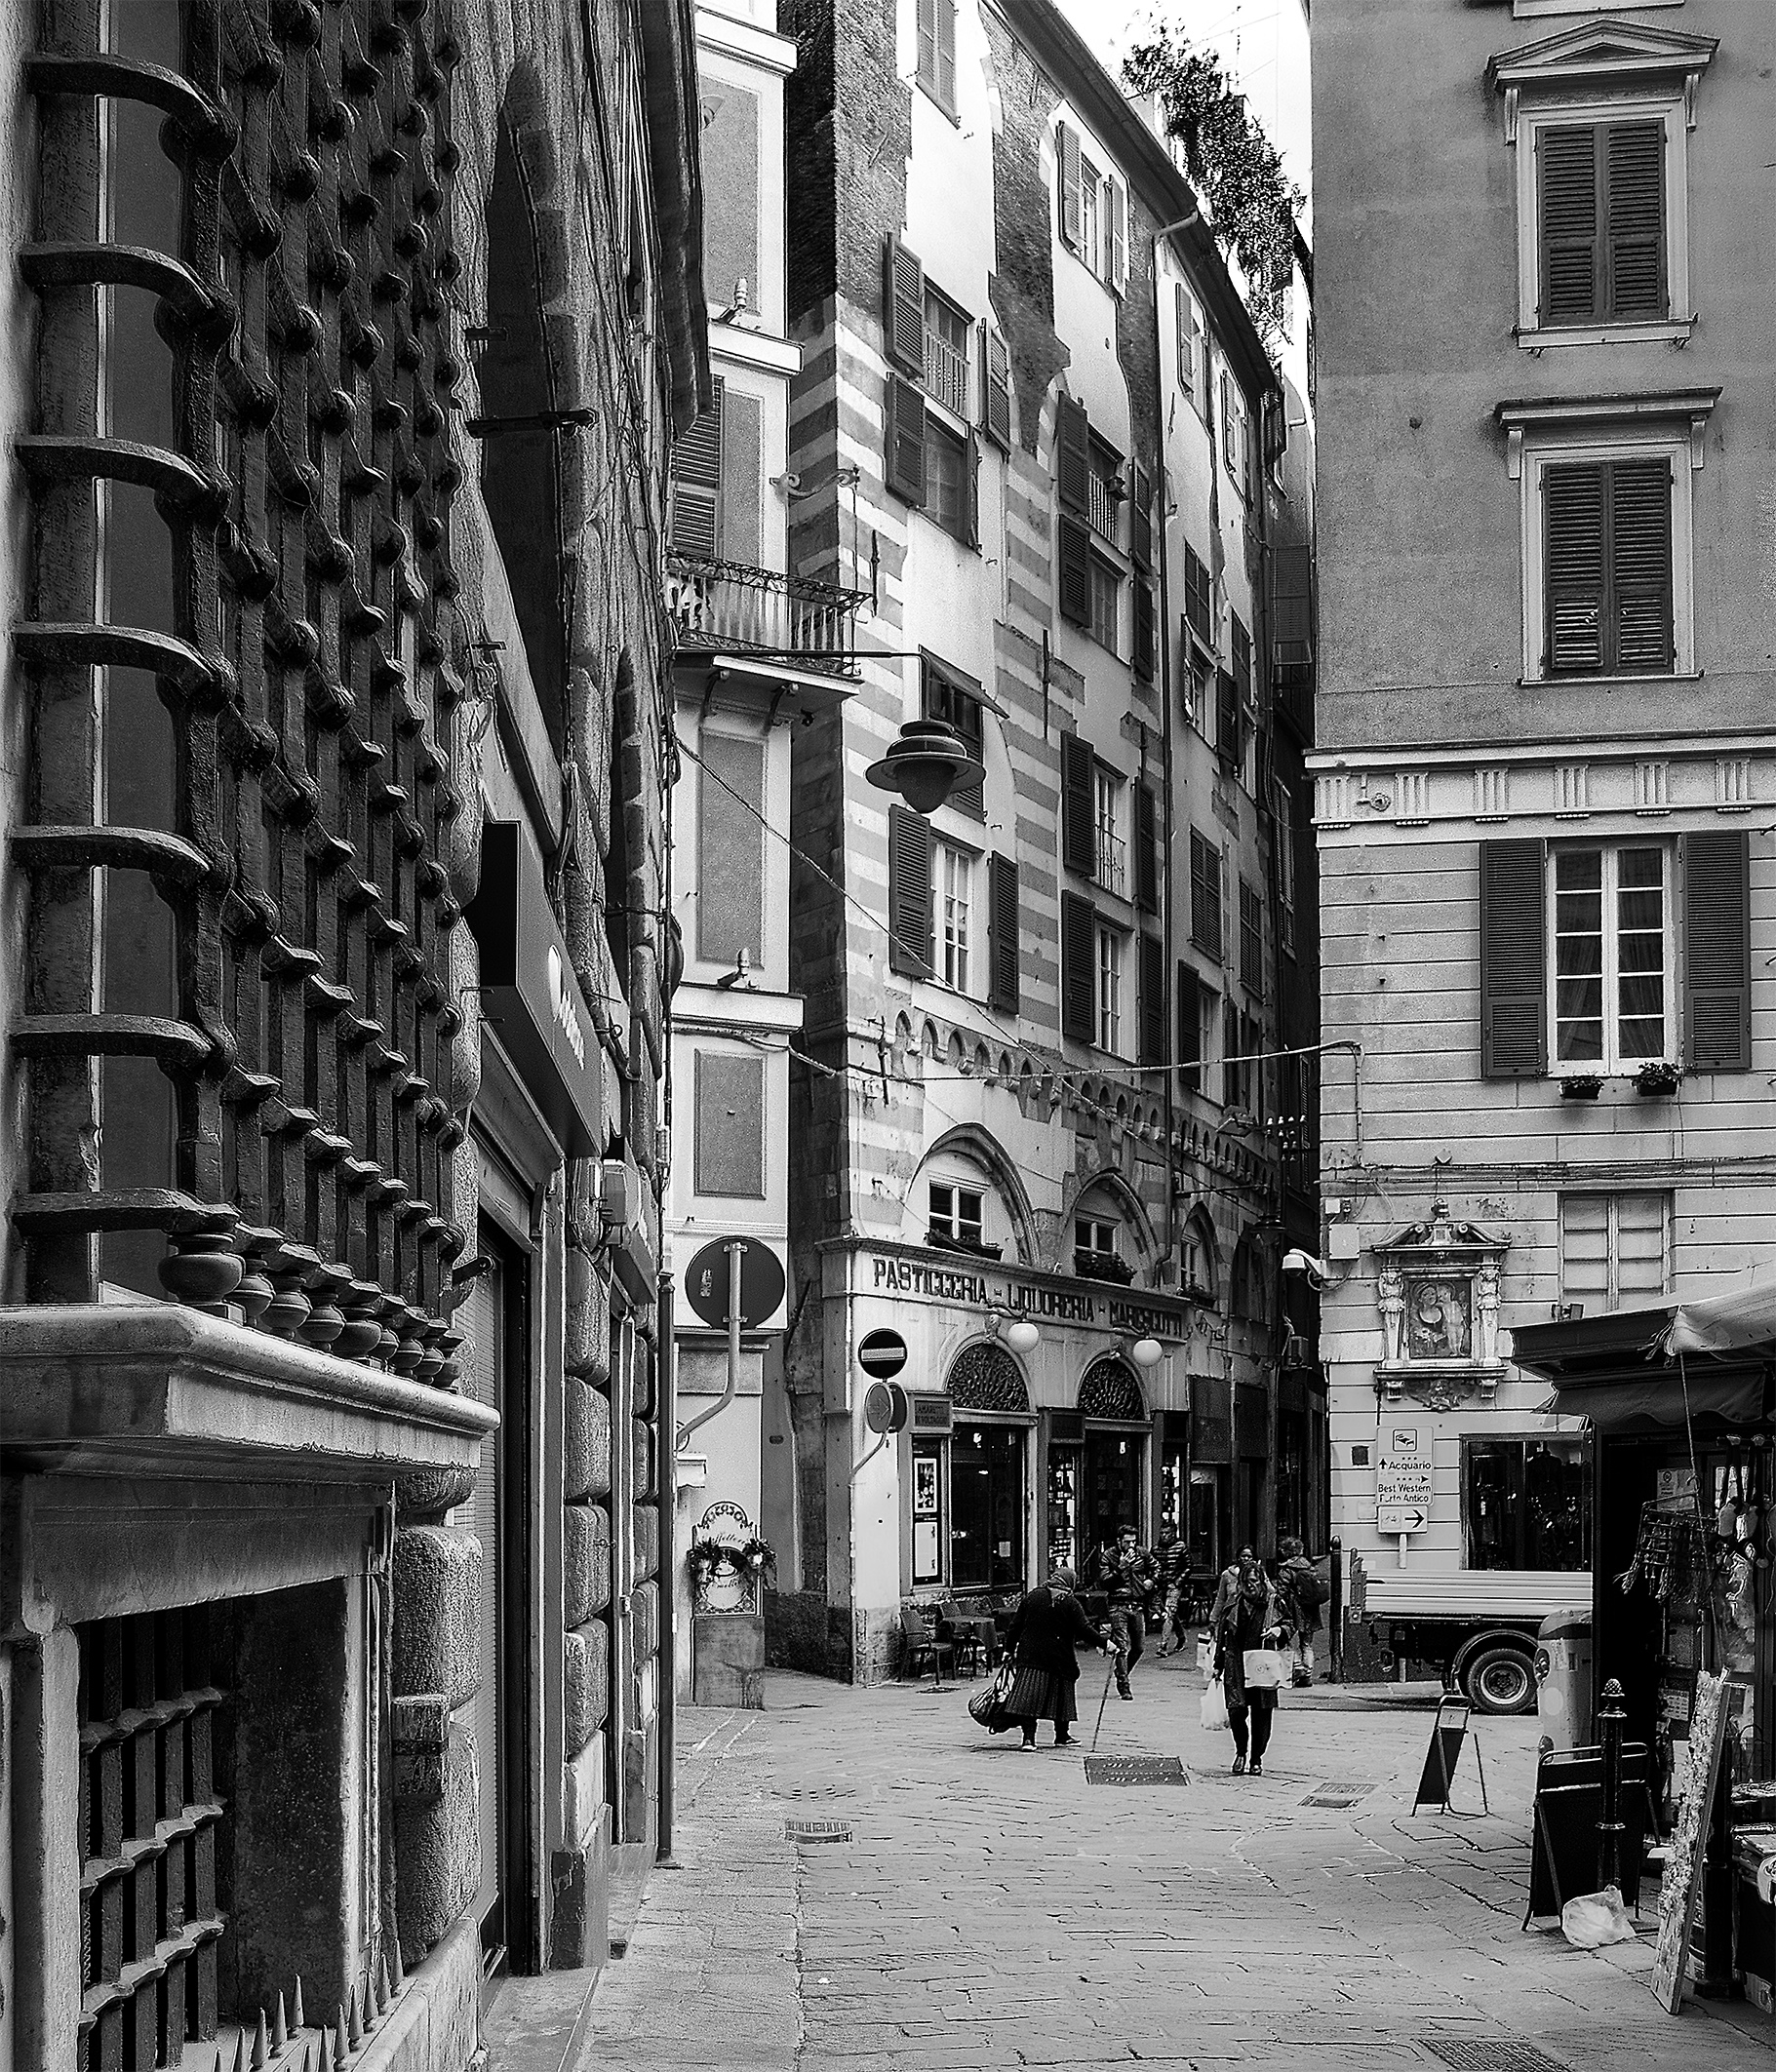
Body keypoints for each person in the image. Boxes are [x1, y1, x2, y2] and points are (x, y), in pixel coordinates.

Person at [997, 1566, 1108, 1749]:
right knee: (1062, 1697)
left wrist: (1008, 1650)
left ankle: (1028, 1739)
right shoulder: (1070, 1602)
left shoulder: (1032, 1596)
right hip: (1059, 1658)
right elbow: (1084, 1628)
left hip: (1030, 1656)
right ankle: (1062, 1736)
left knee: (1028, 1699)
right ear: (1069, 1582)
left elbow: (1015, 1626)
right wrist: (1104, 1643)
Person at [1211, 1545, 1289, 1776]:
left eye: (1255, 1581)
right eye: (1247, 1582)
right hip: (1236, 1664)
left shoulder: (1273, 1603)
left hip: (1263, 1664)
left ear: (1262, 1582)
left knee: (1262, 1713)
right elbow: (1223, 1636)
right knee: (1236, 1711)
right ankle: (1240, 1752)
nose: (1251, 1586)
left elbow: (1291, 1624)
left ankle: (1256, 1758)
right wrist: (1217, 1665)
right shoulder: (1233, 1606)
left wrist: (1279, 1631)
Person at [1087, 1523, 1158, 1700]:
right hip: (1117, 1604)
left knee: (1139, 1647)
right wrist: (1120, 1568)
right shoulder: (1109, 1556)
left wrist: (1152, 1580)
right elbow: (1105, 1581)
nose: (1131, 1545)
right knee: (1122, 1646)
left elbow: (1156, 1567)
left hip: (1138, 1603)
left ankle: (1121, 1672)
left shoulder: (1142, 1553)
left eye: (1134, 1541)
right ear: (1119, 1542)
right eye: (1127, 1542)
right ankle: (1124, 1686)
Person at [1275, 1536, 1325, 1688]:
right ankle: (1307, 1676)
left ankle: (1297, 1666)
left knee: (1283, 1639)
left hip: (1293, 1608)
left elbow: (1281, 1591)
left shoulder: (1287, 1570)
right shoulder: (1308, 1566)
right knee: (1307, 1643)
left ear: (1286, 1552)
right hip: (1310, 1608)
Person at [1153, 1528, 1190, 1658]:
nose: (1164, 1536)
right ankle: (1181, 1636)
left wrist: (1178, 1581)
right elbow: (1153, 1566)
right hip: (1160, 1585)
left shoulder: (1181, 1547)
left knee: (1169, 1611)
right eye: (1161, 1533)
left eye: (1167, 1533)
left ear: (1173, 1534)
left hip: (1174, 1585)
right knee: (1168, 1613)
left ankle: (1163, 1645)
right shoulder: (1156, 1549)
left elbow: (1188, 1566)